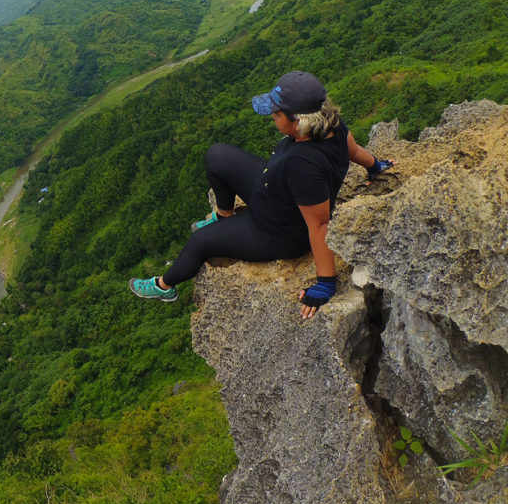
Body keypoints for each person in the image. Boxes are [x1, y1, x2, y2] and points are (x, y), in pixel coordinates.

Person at [128, 70, 393, 319]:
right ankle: (224, 216)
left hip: (277, 229)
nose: (272, 117)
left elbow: (320, 224)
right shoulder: (330, 124)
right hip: (272, 191)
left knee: (199, 241)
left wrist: (325, 283)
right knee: (217, 155)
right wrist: (375, 166)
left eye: (276, 113)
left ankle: (164, 286)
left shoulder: (304, 165)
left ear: (298, 121)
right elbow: (353, 151)